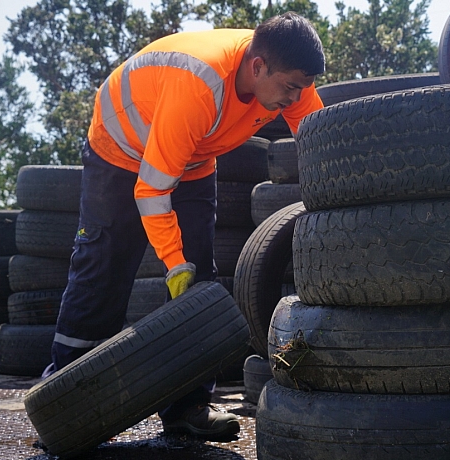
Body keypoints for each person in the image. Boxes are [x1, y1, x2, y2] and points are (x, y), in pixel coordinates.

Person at [41, 12, 326, 441]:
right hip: (121, 149)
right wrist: (173, 264)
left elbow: (320, 140)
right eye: (290, 88)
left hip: (192, 155)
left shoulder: (287, 76)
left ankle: (188, 407)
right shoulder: (199, 87)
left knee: (202, 284)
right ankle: (61, 403)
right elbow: (151, 191)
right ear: (257, 67)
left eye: (301, 88)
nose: (295, 97)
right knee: (103, 272)